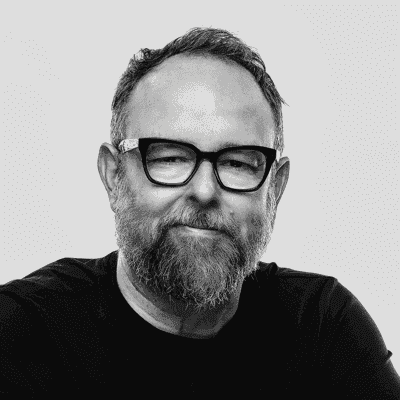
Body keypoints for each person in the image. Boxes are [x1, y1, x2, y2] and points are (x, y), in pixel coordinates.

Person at [0, 27, 399, 399]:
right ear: (113, 175)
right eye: (169, 157)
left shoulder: (325, 329)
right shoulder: (20, 333)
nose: (205, 191)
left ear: (275, 189)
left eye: (238, 163)